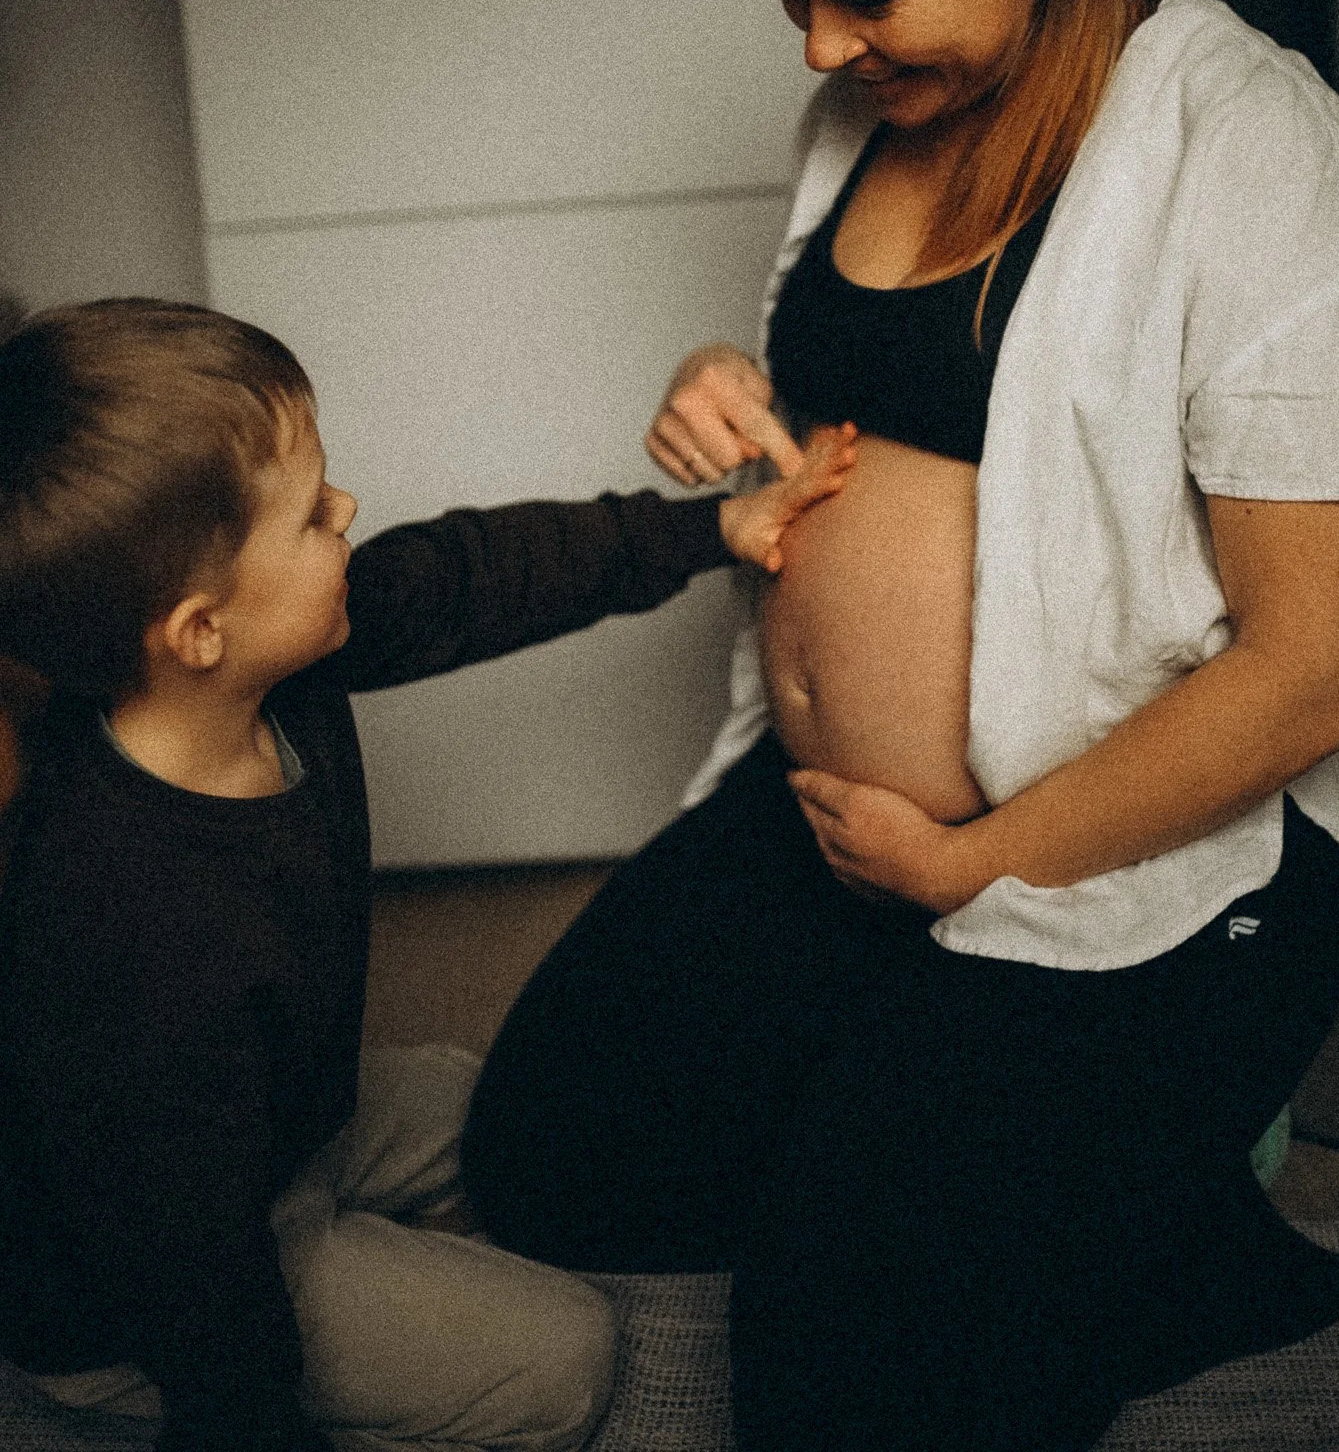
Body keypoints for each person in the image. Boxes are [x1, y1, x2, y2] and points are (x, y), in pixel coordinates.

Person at [459, 0, 1339, 1452]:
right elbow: (921, 424)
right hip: (832, 826)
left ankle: (1134, 1203)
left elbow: (1320, 664)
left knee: (839, 1365)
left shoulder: (1257, 153)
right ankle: (1059, 1183)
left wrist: (980, 862)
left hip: (1133, 860)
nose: (815, 45)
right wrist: (734, 389)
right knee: (553, 1156)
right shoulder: (874, 108)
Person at [0, 297, 853, 1452]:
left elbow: (469, 576)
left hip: (276, 1124)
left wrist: (713, 528)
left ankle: (355, 1236)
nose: (347, 509)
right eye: (312, 515)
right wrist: (246, 1418)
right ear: (200, 629)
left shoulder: (271, 667)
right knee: (568, 1357)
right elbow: (189, 1270)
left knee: (499, 1104)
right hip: (139, 1295)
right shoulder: (132, 934)